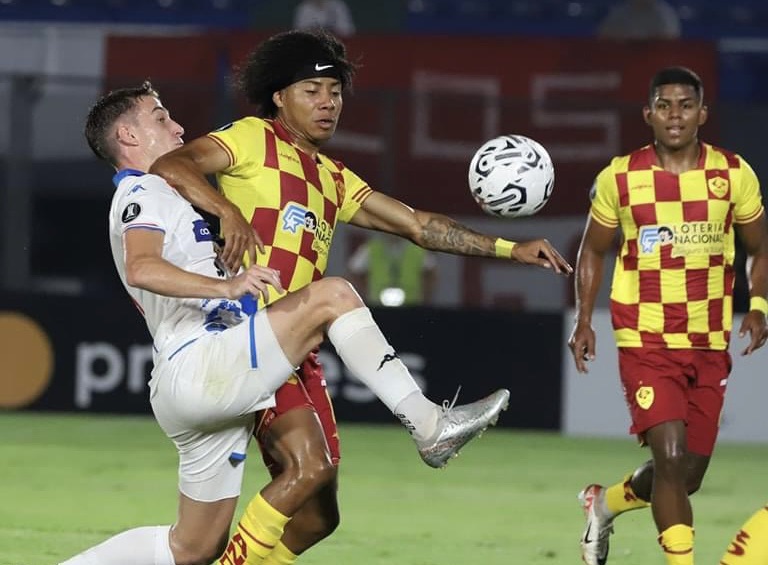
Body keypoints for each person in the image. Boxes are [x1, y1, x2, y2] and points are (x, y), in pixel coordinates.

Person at [149, 29, 573, 565]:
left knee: (319, 516)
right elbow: (173, 165)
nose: (328, 103)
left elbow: (421, 226)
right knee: (311, 466)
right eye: (311, 91)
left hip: (297, 345)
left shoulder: (332, 177)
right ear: (279, 96)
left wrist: (510, 248)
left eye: (335, 93)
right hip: (247, 333)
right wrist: (228, 210)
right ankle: (430, 425)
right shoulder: (252, 138)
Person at [61, 82, 512, 565]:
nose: (177, 127)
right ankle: (429, 425)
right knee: (332, 296)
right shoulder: (144, 188)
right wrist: (228, 287)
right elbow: (141, 268)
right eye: (160, 118)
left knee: (193, 547)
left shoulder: (169, 194)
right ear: (128, 135)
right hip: (203, 363)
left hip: (204, 378)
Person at [567, 66, 768, 565]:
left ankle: (605, 503)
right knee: (672, 459)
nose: (674, 115)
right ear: (648, 115)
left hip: (708, 342)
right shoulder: (620, 177)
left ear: (702, 113)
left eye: (684, 105)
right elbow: (593, 251)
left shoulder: (733, 174)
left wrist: (759, 305)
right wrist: (584, 319)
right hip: (645, 339)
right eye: (664, 105)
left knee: (687, 475)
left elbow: (759, 248)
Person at [347, 232, 438, 306]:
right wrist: (362, 298)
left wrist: (425, 298)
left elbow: (431, 274)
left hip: (411, 305)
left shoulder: (417, 250)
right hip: (376, 305)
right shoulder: (370, 248)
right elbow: (354, 273)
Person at [598, 0, 681, 40]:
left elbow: (669, 43)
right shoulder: (619, 14)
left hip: (655, 63)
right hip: (623, 63)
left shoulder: (666, 14)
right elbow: (603, 38)